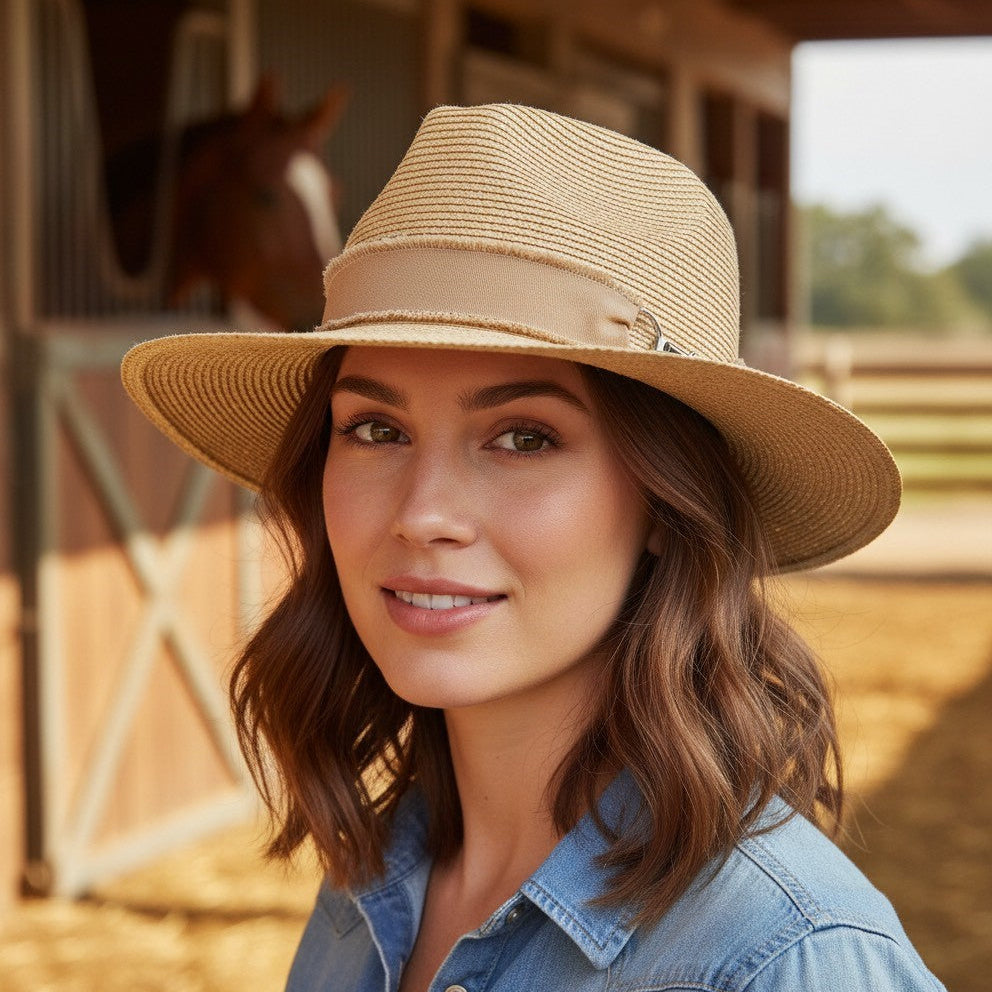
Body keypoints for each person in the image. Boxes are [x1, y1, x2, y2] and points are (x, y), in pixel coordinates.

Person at [122, 103, 946, 992]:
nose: (423, 514)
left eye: (524, 438)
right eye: (375, 428)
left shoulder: (788, 960)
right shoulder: (369, 884)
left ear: (668, 503)